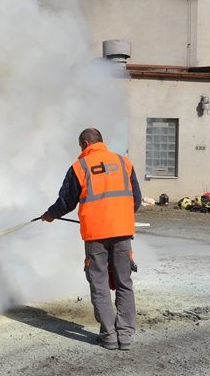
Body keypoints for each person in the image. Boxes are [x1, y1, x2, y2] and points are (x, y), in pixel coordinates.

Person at [41, 128, 142, 351]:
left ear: (86, 143)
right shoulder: (124, 162)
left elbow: (66, 201)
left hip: (96, 236)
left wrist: (50, 215)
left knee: (99, 284)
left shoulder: (80, 167)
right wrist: (121, 217)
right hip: (123, 232)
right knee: (124, 282)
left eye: (80, 146)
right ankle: (125, 335)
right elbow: (136, 198)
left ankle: (109, 336)